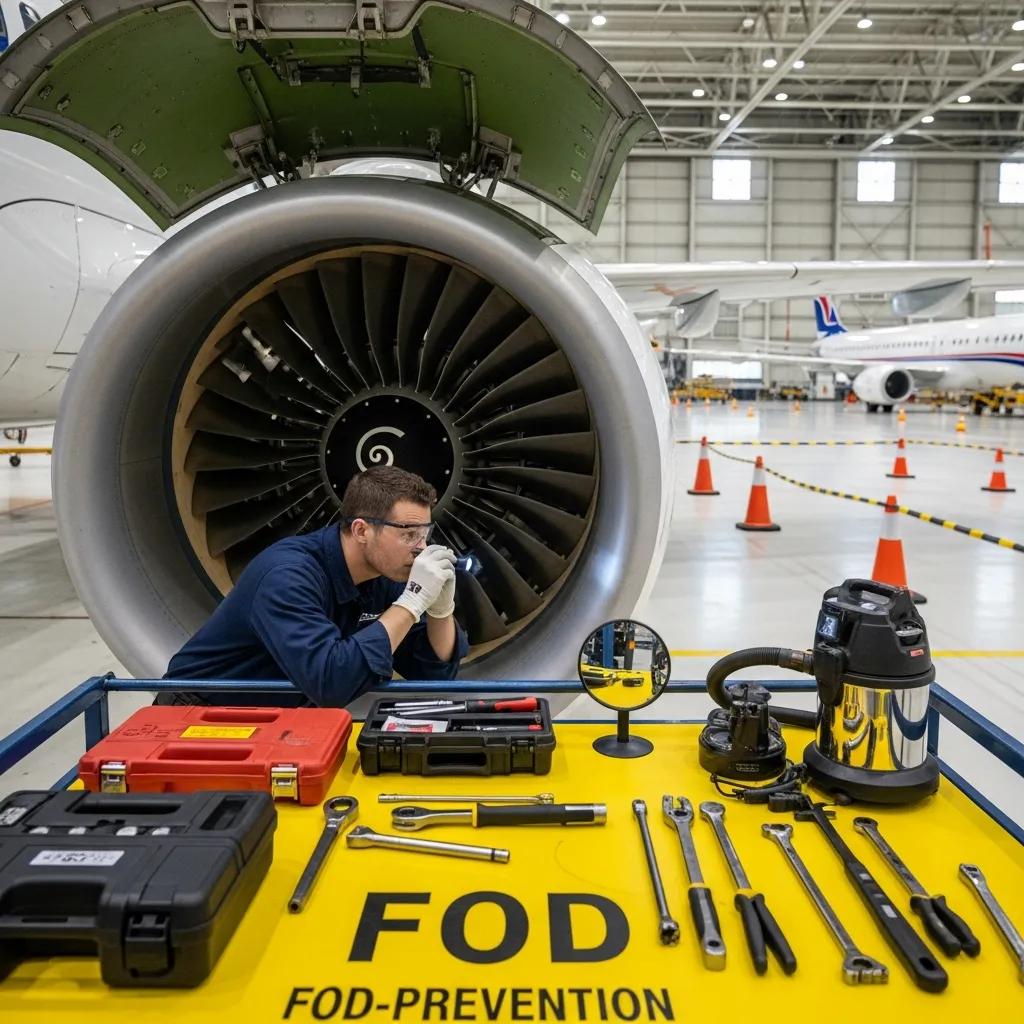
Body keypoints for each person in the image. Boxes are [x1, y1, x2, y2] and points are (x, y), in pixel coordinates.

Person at [161, 465, 469, 706]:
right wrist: (412, 603)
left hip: (279, 724)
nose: (421, 548)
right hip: (198, 720)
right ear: (361, 530)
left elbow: (432, 675)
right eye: (408, 534)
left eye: (424, 534)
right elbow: (330, 682)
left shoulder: (384, 575)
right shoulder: (287, 576)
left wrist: (441, 609)